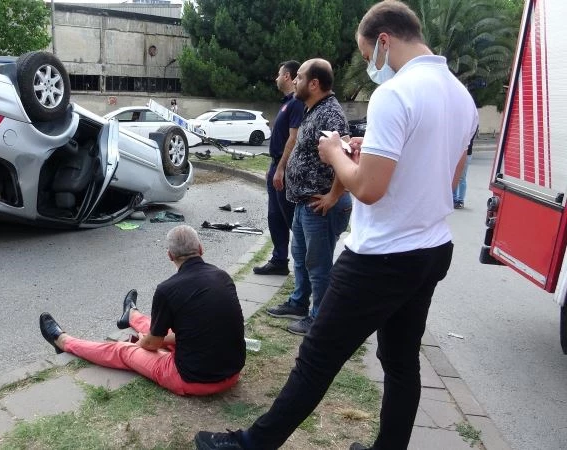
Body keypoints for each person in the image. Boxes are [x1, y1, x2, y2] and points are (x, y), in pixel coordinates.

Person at [194, 1, 478, 449]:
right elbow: (448, 175)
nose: (371, 66)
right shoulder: (461, 96)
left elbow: (366, 190)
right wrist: (372, 153)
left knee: (317, 357)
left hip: (382, 254)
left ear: (384, 40)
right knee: (401, 361)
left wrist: (337, 155)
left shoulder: (395, 93)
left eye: (368, 57)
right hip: (431, 249)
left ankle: (251, 445)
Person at [39, 224, 245, 396]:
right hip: (232, 372)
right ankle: (131, 314)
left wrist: (145, 340)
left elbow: (153, 344)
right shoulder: (223, 276)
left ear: (170, 255)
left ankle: (63, 342)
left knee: (121, 350)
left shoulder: (167, 289)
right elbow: (201, 328)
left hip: (193, 380)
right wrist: (153, 338)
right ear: (201, 249)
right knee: (158, 330)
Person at [265, 58, 352, 336]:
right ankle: (299, 303)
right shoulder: (312, 109)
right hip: (305, 204)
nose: (295, 81)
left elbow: (346, 155)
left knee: (319, 265)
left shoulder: (330, 115)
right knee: (301, 258)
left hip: (320, 206)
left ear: (314, 84)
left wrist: (333, 196)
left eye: (300, 77)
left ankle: (319, 318)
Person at [252, 61, 304, 278]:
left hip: (285, 168)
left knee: (290, 218)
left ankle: (306, 263)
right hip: (276, 165)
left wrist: (281, 168)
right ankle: (279, 260)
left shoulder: (296, 103)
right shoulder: (286, 103)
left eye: (278, 74)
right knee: (275, 217)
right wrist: (272, 166)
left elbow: (294, 138)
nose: (275, 78)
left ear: (288, 77)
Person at [453, 127, 478, 209]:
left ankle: (460, 200)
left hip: (466, 153)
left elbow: (469, 141)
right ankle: (454, 199)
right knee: (454, 176)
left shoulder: (472, 125)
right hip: (456, 152)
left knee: (461, 177)